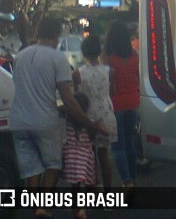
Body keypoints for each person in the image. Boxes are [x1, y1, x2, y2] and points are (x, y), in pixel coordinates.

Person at [9, 17, 107, 219]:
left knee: (31, 168)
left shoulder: (20, 56)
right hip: (44, 120)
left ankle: (36, 209)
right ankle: (42, 206)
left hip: (18, 120)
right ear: (57, 35)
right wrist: (88, 124)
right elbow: (68, 98)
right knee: (53, 164)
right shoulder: (57, 58)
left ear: (38, 33)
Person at [72, 35, 118, 190]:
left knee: (89, 156)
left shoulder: (78, 74)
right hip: (106, 114)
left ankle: (93, 189)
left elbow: (77, 97)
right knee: (104, 155)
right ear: (99, 51)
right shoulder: (110, 71)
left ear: (84, 52)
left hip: (87, 117)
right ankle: (108, 192)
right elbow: (112, 91)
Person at [103, 19, 140, 188]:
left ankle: (127, 181)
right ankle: (133, 177)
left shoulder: (108, 57)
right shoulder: (135, 55)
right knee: (130, 143)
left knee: (118, 147)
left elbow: (105, 83)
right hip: (134, 102)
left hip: (116, 103)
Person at [61, 92, 96, 219]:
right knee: (90, 184)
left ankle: (75, 207)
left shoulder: (68, 122)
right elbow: (92, 138)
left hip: (70, 155)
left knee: (75, 185)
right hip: (85, 156)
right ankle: (83, 209)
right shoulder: (89, 124)